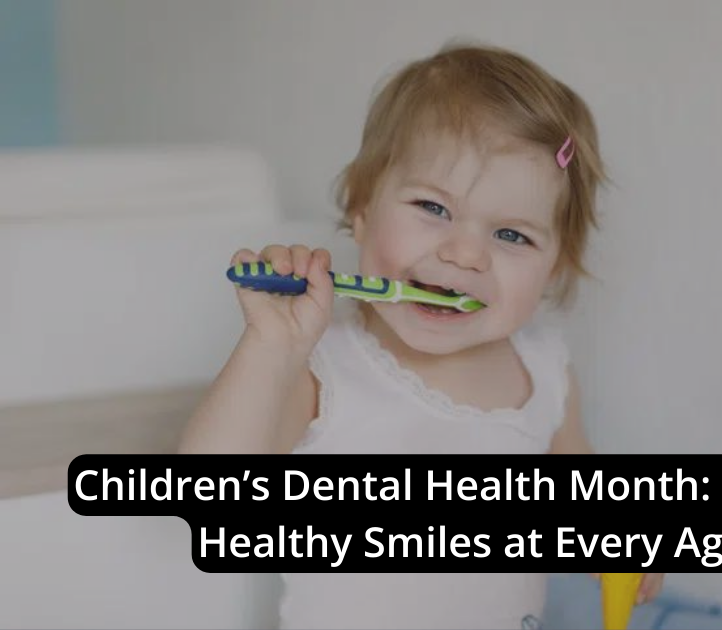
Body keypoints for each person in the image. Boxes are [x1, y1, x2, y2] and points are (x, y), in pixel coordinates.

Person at [178, 40, 664, 629]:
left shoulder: (545, 373)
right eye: (433, 207)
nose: (464, 254)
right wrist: (271, 346)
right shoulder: (323, 371)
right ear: (361, 209)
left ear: (554, 269)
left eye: (513, 236)